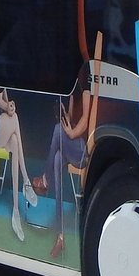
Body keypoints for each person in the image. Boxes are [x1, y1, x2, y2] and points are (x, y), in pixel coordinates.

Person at [40, 83, 91, 258]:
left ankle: (46, 179)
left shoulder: (86, 86)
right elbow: (70, 117)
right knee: (56, 159)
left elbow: (85, 120)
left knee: (57, 130)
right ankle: (60, 237)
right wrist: (63, 114)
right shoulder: (72, 89)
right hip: (71, 146)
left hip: (82, 150)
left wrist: (70, 132)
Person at [0, 86, 37, 242]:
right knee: (15, 117)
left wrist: (11, 105)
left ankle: (15, 211)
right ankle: (26, 181)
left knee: (16, 142)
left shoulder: (3, 82)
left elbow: (8, 104)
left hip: (4, 127)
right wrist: (10, 107)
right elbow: (3, 105)